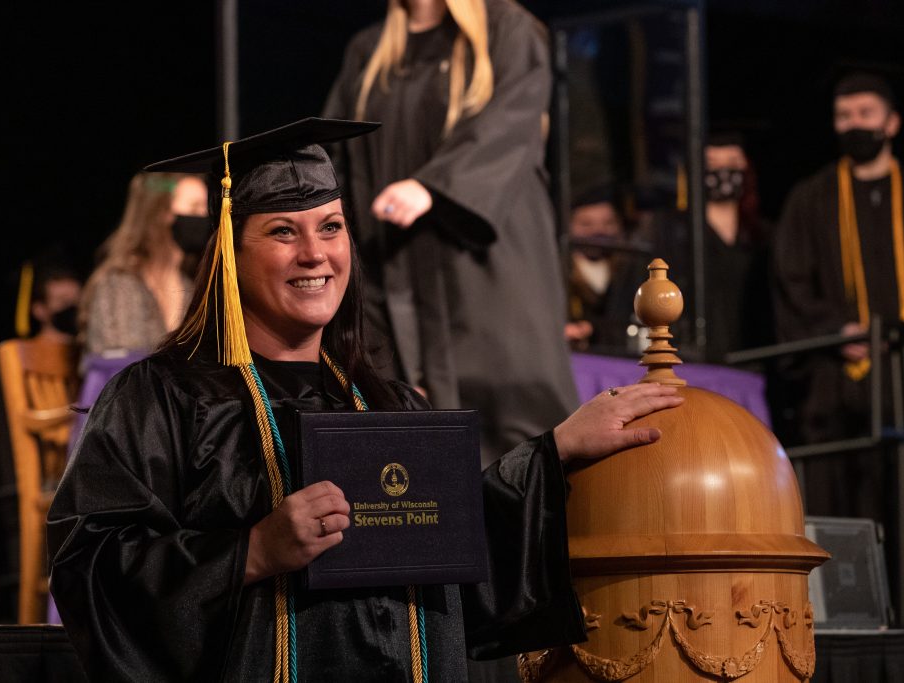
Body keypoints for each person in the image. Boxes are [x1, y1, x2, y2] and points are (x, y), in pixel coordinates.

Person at [46, 118, 683, 682]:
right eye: (281, 232)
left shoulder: (389, 402)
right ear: (229, 257)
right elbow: (90, 570)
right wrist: (253, 552)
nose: (315, 253)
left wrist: (556, 449)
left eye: (331, 227)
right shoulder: (162, 397)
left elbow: (450, 548)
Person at [322, 0, 579, 467]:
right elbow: (339, 152)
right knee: (404, 431)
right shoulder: (371, 48)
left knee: (510, 416)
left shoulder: (506, 28)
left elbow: (509, 125)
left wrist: (434, 186)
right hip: (392, 265)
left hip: (483, 257)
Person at [771, 73, 904, 622]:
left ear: (891, 122)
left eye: (865, 114)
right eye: (844, 115)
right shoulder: (811, 198)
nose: (855, 125)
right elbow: (791, 281)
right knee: (843, 501)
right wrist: (835, 329)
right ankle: (843, 621)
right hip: (836, 381)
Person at [78, 172, 207, 358]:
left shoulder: (189, 287)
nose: (205, 217)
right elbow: (122, 369)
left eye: (205, 209)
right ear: (160, 213)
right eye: (195, 208)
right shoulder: (119, 284)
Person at [701, 132, 771, 363]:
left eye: (732, 163)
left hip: (755, 360)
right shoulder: (676, 235)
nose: (723, 172)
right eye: (712, 164)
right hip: (698, 363)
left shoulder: (764, 236)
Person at [563, 184, 648, 354]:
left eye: (608, 223)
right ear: (569, 227)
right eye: (586, 224)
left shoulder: (632, 272)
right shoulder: (560, 274)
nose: (598, 231)